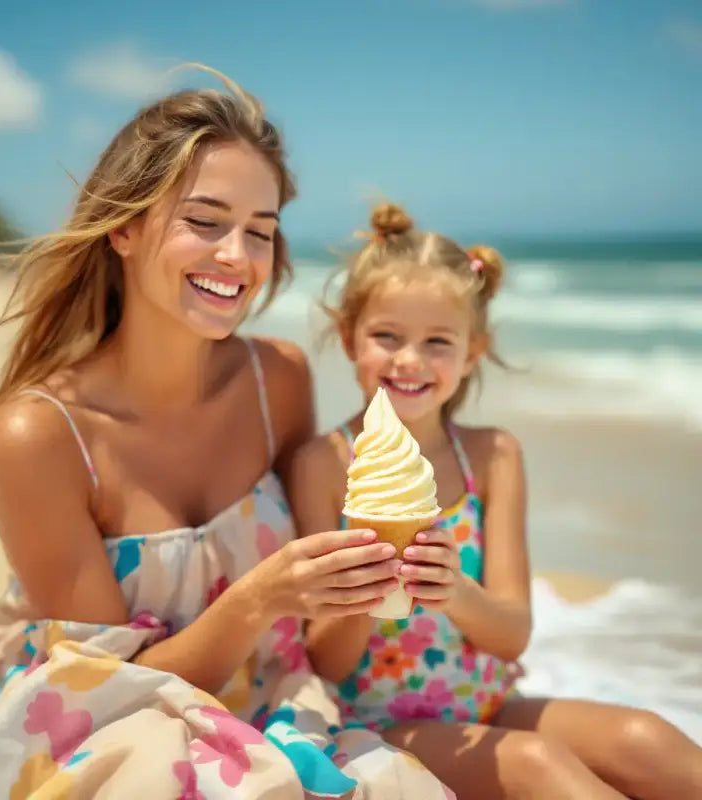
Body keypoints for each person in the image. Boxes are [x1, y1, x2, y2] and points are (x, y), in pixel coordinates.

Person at [0, 78, 456, 799]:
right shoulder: (37, 434)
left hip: (267, 701)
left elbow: (321, 653)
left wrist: (377, 580)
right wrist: (255, 600)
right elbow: (104, 696)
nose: (237, 256)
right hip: (98, 726)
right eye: (206, 220)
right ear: (124, 228)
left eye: (259, 230)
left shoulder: (277, 381)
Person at [289, 201, 702, 799]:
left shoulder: (492, 456)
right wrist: (370, 587)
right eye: (387, 336)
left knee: (645, 736)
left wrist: (456, 592)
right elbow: (325, 661)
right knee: (537, 764)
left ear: (472, 353)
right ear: (349, 336)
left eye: (438, 341)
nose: (410, 359)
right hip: (375, 724)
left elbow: (512, 634)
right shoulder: (322, 464)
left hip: (486, 699)